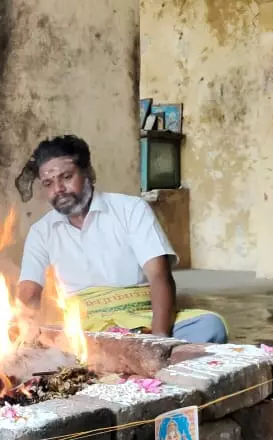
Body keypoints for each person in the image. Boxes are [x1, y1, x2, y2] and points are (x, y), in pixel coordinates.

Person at [15, 135, 228, 343]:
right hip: (82, 330)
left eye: (67, 177)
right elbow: (29, 291)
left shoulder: (130, 209)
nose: (58, 189)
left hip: (141, 320)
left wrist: (158, 340)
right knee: (46, 342)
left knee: (209, 326)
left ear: (88, 173)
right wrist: (22, 334)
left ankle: (134, 360)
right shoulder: (41, 231)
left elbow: (159, 275)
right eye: (48, 183)